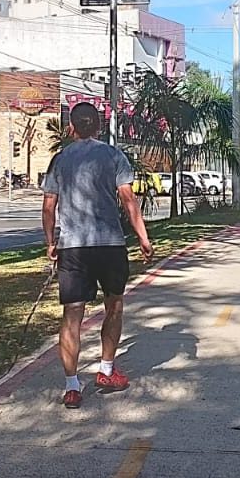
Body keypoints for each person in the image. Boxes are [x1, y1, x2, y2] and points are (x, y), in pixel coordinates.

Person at [41, 103, 153, 409]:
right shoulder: (114, 156)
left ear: (71, 128)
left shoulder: (60, 160)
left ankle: (72, 386)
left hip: (73, 248)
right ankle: (105, 369)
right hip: (110, 245)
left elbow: (49, 206)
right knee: (114, 307)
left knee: (72, 315)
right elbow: (128, 199)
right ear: (100, 127)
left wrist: (51, 241)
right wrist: (143, 237)